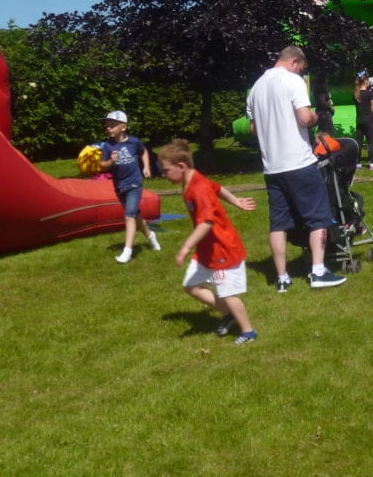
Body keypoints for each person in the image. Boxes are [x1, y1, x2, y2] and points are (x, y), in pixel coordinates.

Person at [245, 46, 346, 291]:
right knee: (318, 217)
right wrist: (316, 117)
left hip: (272, 166)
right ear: (294, 61)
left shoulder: (256, 87)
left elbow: (254, 129)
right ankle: (318, 271)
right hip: (299, 162)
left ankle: (282, 277)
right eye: (302, 68)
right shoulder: (293, 81)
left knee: (278, 223)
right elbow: (304, 118)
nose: (302, 72)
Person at [158, 139, 258, 345]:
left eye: (166, 170)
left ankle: (248, 332)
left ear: (181, 166)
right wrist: (235, 200)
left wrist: (185, 247)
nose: (163, 175)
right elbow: (218, 188)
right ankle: (228, 314)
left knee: (228, 293)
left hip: (222, 249)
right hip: (206, 249)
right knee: (191, 286)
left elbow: (207, 222)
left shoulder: (198, 188)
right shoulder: (192, 180)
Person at [99, 110, 158, 264]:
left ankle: (127, 251)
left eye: (112, 125)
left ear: (123, 127)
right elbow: (102, 165)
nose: (108, 128)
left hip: (135, 183)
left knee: (129, 216)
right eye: (107, 126)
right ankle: (151, 236)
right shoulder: (108, 146)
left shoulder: (133, 142)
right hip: (120, 186)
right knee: (135, 215)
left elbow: (143, 151)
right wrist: (111, 162)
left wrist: (146, 166)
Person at [353, 70, 373, 170]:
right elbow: (372, 107)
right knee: (371, 142)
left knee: (358, 142)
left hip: (359, 120)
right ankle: (372, 163)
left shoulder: (356, 94)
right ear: (366, 81)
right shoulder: (369, 93)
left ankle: (357, 163)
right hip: (369, 120)